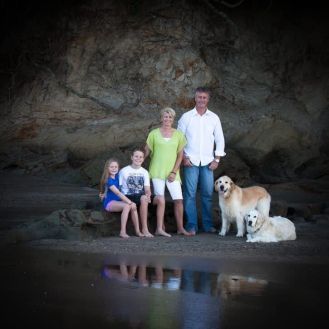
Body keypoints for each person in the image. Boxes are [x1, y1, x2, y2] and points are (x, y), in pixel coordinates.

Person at [177, 86, 226, 235]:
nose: (201, 100)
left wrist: (217, 159)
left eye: (204, 97)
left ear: (208, 99)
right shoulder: (186, 117)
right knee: (190, 194)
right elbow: (179, 139)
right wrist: (184, 157)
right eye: (199, 97)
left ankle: (207, 225)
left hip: (208, 162)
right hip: (190, 161)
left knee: (207, 195)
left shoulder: (214, 117)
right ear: (195, 98)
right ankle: (191, 225)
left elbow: (220, 139)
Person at [145, 107, 192, 236]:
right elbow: (146, 151)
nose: (167, 119)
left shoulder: (178, 135)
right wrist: (136, 163)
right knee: (160, 200)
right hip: (157, 170)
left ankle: (181, 228)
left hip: (172, 173)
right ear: (161, 118)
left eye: (170, 117)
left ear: (173, 119)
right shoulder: (153, 134)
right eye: (165, 116)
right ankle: (160, 228)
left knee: (178, 200)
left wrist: (174, 172)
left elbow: (180, 156)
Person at [99, 158, 143, 238]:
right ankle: (122, 232)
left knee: (133, 207)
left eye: (116, 167)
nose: (114, 169)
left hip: (118, 200)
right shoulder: (108, 180)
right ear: (107, 168)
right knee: (128, 205)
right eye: (111, 167)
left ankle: (138, 231)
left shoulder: (118, 176)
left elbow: (128, 173)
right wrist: (130, 202)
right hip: (110, 202)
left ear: (118, 168)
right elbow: (118, 193)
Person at [119, 149, 154, 237]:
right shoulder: (124, 171)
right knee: (135, 201)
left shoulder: (145, 172)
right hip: (127, 196)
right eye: (136, 156)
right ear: (132, 157)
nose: (138, 159)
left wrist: (148, 194)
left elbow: (147, 188)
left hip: (139, 195)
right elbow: (119, 188)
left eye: (141, 157)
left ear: (143, 159)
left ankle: (145, 229)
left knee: (144, 198)